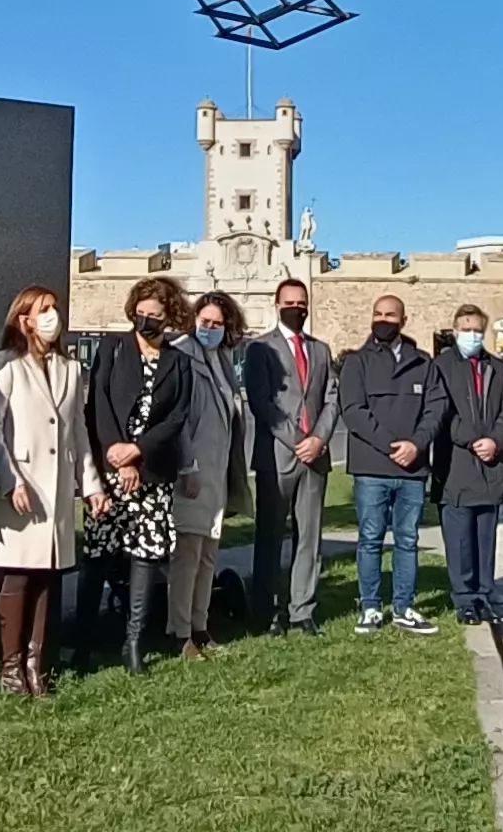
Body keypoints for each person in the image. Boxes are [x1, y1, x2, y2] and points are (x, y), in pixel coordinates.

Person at [0, 286, 96, 696]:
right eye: (43, 311)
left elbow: (78, 431)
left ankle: (35, 665)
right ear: (24, 319)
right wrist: (10, 481)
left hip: (57, 489)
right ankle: (10, 671)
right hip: (22, 487)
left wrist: (91, 485)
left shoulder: (72, 370)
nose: (52, 317)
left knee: (47, 574)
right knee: (18, 573)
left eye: (55, 309)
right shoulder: (5, 366)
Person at [84, 275, 194, 672]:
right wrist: (120, 454)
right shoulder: (113, 348)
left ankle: (133, 642)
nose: (146, 321)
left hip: (152, 472)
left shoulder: (179, 363)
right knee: (99, 552)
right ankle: (83, 638)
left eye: (155, 316)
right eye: (141, 314)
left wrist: (139, 452)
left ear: (168, 318)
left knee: (146, 555)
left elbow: (177, 417)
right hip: (112, 468)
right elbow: (99, 401)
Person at [338, 293, 444, 635]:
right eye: (378, 314)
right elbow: (353, 412)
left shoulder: (423, 363)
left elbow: (435, 408)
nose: (384, 320)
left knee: (407, 539)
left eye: (391, 315)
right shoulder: (357, 362)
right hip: (372, 468)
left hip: (412, 470)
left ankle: (404, 606)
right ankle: (370, 607)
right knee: (370, 538)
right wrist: (389, 445)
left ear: (404, 320)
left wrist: (416, 444)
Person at [244, 276, 338, 634]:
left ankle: (302, 610)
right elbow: (261, 402)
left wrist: (319, 439)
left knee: (309, 539)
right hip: (277, 456)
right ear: (277, 304)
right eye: (290, 302)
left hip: (315, 458)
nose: (296, 308)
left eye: (302, 302)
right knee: (269, 537)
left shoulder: (320, 350)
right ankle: (266, 611)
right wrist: (299, 439)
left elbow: (331, 398)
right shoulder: (260, 349)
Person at [167, 290, 253, 657]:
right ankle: (180, 632)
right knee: (186, 555)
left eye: (218, 324)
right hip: (192, 471)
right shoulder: (182, 355)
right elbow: (178, 418)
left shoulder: (222, 360)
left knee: (207, 554)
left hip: (217, 472)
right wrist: (188, 467)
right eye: (205, 322)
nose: (211, 329)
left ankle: (201, 627)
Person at [432, 304, 503, 626]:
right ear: (454, 331)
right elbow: (441, 412)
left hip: (492, 466)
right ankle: (465, 598)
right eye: (465, 329)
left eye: (476, 330)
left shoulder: (497, 368)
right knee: (460, 539)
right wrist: (473, 440)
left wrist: (496, 440)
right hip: (457, 465)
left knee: (485, 538)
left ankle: (484, 594)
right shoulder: (440, 367)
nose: (471, 335)